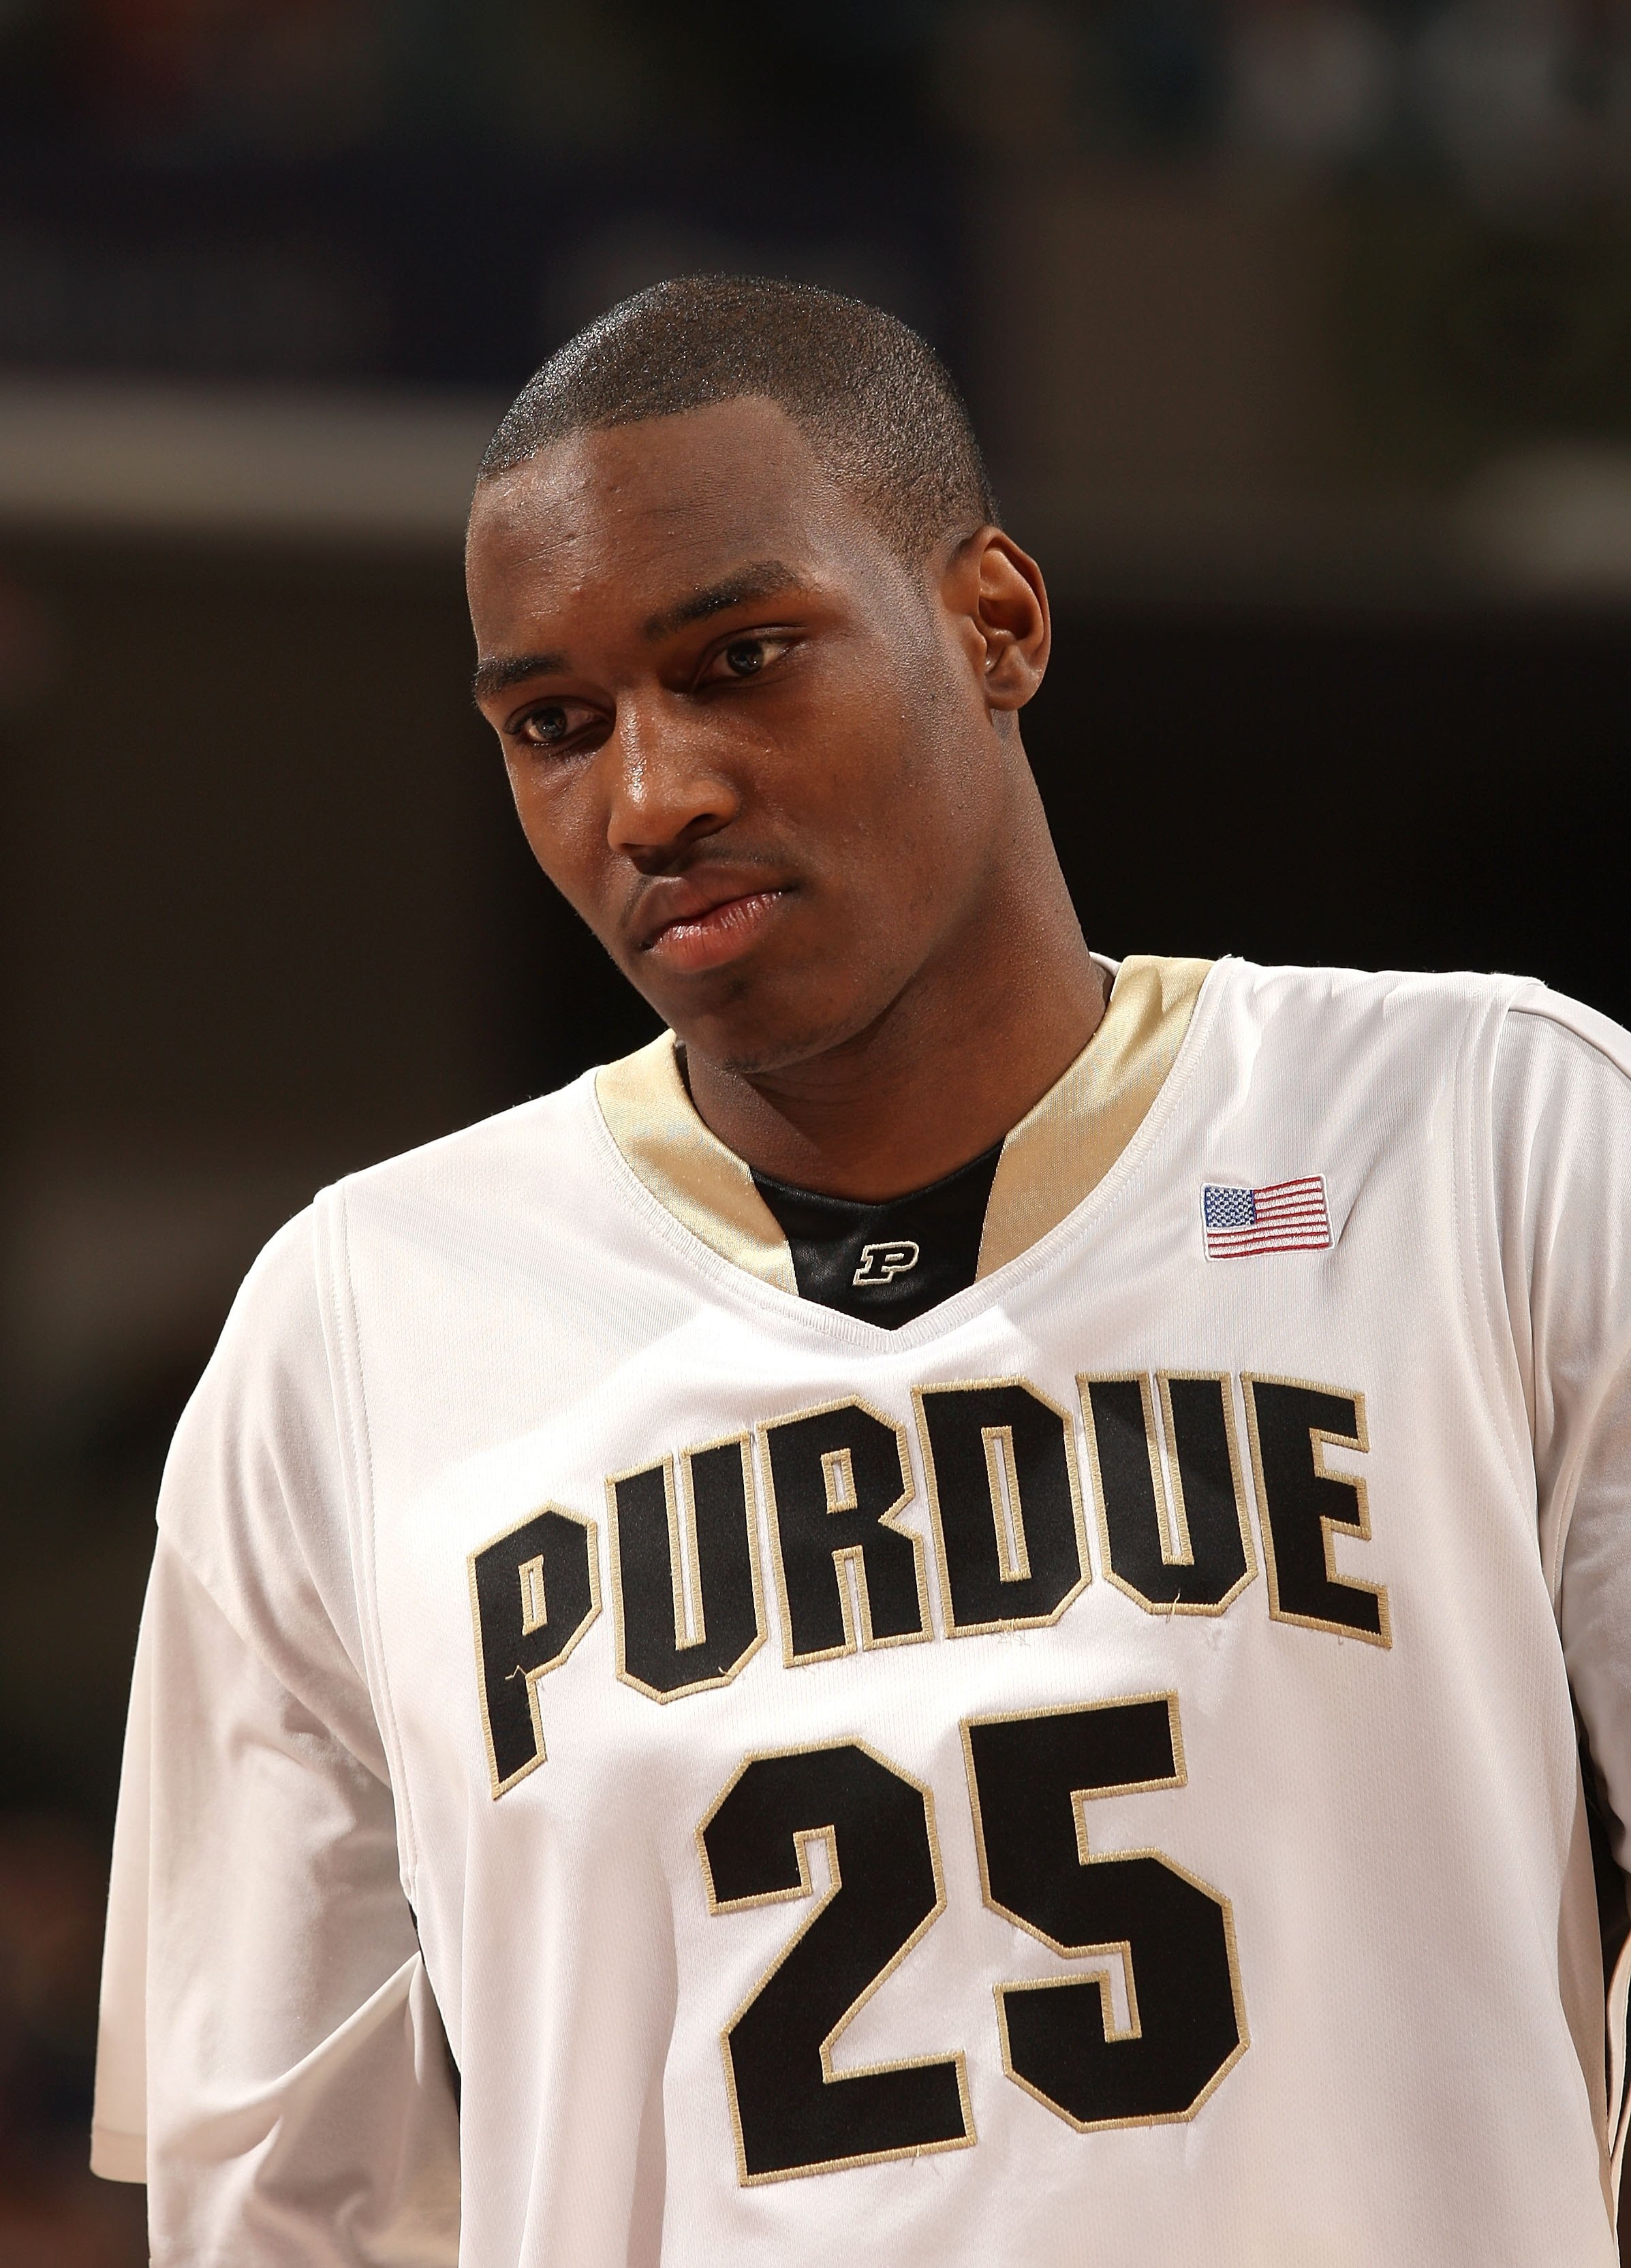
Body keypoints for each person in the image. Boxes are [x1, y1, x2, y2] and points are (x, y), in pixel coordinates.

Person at [92, 274, 1631, 2265]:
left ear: (993, 622)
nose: (649, 796)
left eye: (739, 659)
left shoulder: (1494, 1131)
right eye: (554, 725)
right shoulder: (358, 1325)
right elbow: (273, 2192)